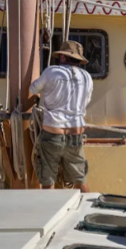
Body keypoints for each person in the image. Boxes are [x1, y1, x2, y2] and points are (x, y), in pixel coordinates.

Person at [28, 40, 94, 192]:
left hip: (52, 134)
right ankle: (88, 208)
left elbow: (33, 89)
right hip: (75, 135)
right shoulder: (87, 77)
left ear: (63, 57)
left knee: (48, 179)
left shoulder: (51, 72)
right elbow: (86, 101)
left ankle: (49, 212)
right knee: (80, 178)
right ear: (79, 60)